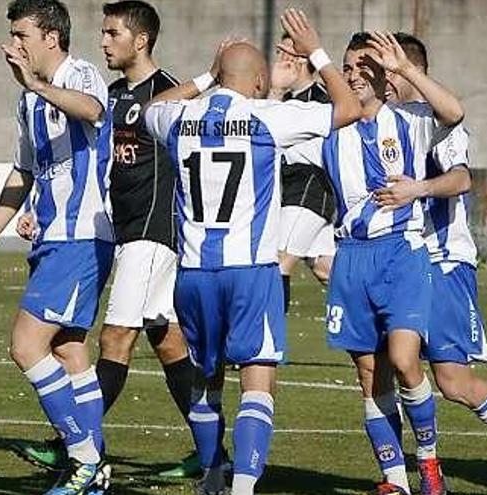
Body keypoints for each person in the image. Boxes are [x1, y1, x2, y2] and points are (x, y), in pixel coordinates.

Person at [143, 9, 361, 494]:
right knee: (257, 383)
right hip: (251, 272)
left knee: (205, 381)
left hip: (195, 273)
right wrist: (316, 51)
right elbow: (348, 109)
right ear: (260, 81)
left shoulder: (180, 118)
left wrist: (206, 74)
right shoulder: (265, 116)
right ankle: (242, 489)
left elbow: (151, 107)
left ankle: (213, 478)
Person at [11, 0, 202, 479]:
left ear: (141, 39)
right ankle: (211, 449)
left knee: (115, 337)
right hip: (120, 229)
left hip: (152, 229)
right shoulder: (115, 94)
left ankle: (79, 450)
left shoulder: (167, 92)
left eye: (113, 33)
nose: (103, 41)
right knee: (167, 340)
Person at [358, 32, 487, 495]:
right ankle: (401, 480)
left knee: (453, 381)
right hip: (389, 261)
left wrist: (417, 190)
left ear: (403, 71)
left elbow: (461, 179)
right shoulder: (365, 124)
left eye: (383, 69)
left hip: (441, 261)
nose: (373, 79)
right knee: (379, 368)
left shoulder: (433, 122)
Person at [281, 30, 464, 495]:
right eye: (349, 66)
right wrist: (280, 90)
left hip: (402, 252)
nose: (355, 74)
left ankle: (428, 463)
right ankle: (393, 480)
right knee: (370, 374)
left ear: (385, 77)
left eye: (367, 67)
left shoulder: (408, 120)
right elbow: (268, 135)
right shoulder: (324, 132)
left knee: (404, 360)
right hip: (352, 260)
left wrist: (407, 70)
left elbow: (453, 112)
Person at [0, 0, 112, 493]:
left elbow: (93, 110)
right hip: (52, 239)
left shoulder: (82, 73)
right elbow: (24, 172)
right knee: (69, 348)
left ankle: (85, 460)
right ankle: (94, 470)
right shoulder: (28, 101)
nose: (15, 44)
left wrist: (37, 84)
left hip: (82, 236)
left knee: (26, 345)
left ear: (51, 37)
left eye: (23, 35)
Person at [269, 33, 337, 311]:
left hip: (311, 187)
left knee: (277, 263)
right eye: (280, 52)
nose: (282, 59)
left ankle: (269, 347)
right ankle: (387, 319)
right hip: (287, 186)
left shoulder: (323, 99)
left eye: (289, 52)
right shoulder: (279, 99)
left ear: (303, 58)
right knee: (326, 268)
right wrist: (274, 92)